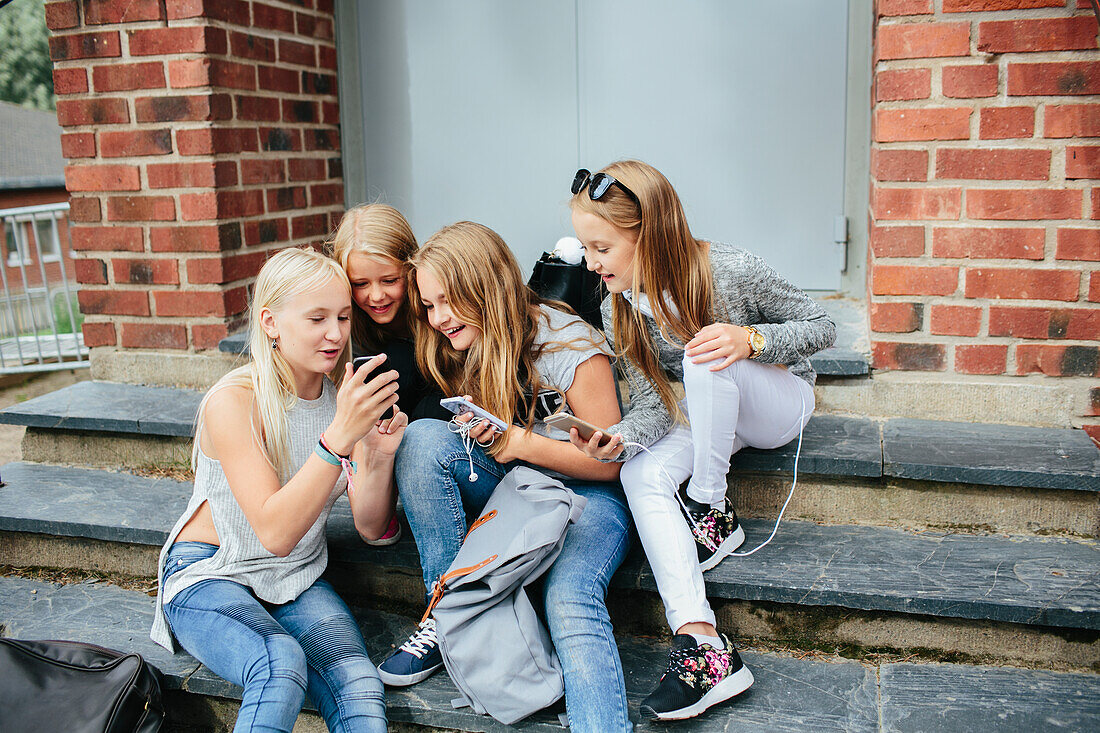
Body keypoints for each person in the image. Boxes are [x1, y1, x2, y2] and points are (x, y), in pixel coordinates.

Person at [567, 160, 836, 721]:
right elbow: (649, 404)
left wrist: (751, 338)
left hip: (777, 403)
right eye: (587, 249)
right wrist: (618, 440)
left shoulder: (730, 268)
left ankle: (710, 504)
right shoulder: (616, 303)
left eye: (602, 249)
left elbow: (820, 326)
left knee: (705, 353)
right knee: (642, 473)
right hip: (709, 412)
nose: (591, 264)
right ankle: (704, 645)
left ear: (650, 235)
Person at [379, 221, 636, 731]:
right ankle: (446, 609)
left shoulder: (569, 343)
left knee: (568, 597)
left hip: (586, 497)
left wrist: (521, 442)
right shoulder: (460, 346)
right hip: (516, 489)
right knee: (422, 440)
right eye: (429, 306)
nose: (438, 318)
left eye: (448, 300)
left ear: (487, 285)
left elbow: (611, 464)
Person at [150, 247, 404, 732]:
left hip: (297, 576)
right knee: (278, 663)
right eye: (316, 318)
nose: (336, 333)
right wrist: (338, 440)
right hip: (211, 573)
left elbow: (371, 526)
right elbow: (274, 531)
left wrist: (379, 454)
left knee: (358, 682)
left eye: (343, 317)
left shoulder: (339, 403)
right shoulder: (234, 401)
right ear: (271, 322)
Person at [328, 203, 443, 547]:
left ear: (411, 269)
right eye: (360, 283)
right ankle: (377, 489)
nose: (375, 295)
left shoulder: (439, 312)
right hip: (386, 434)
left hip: (439, 435)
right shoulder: (347, 331)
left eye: (390, 280)